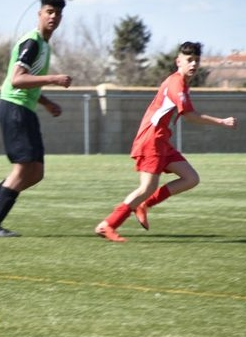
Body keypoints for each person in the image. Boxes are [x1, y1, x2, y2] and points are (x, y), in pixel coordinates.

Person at [95, 41, 237, 242]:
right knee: (146, 188)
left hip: (162, 141)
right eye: (189, 60)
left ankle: (144, 204)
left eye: (196, 60)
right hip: (152, 139)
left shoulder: (183, 84)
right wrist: (222, 121)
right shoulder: (176, 83)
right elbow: (189, 116)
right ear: (178, 61)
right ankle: (108, 224)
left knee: (190, 178)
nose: (194, 64)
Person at [0, 0, 72, 237]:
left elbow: (28, 82)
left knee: (36, 173)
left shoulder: (44, 45)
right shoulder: (32, 42)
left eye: (57, 13)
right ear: (40, 14)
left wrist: (45, 102)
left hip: (25, 109)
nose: (53, 17)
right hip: (14, 108)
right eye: (49, 12)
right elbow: (17, 79)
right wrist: (54, 79)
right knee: (23, 169)